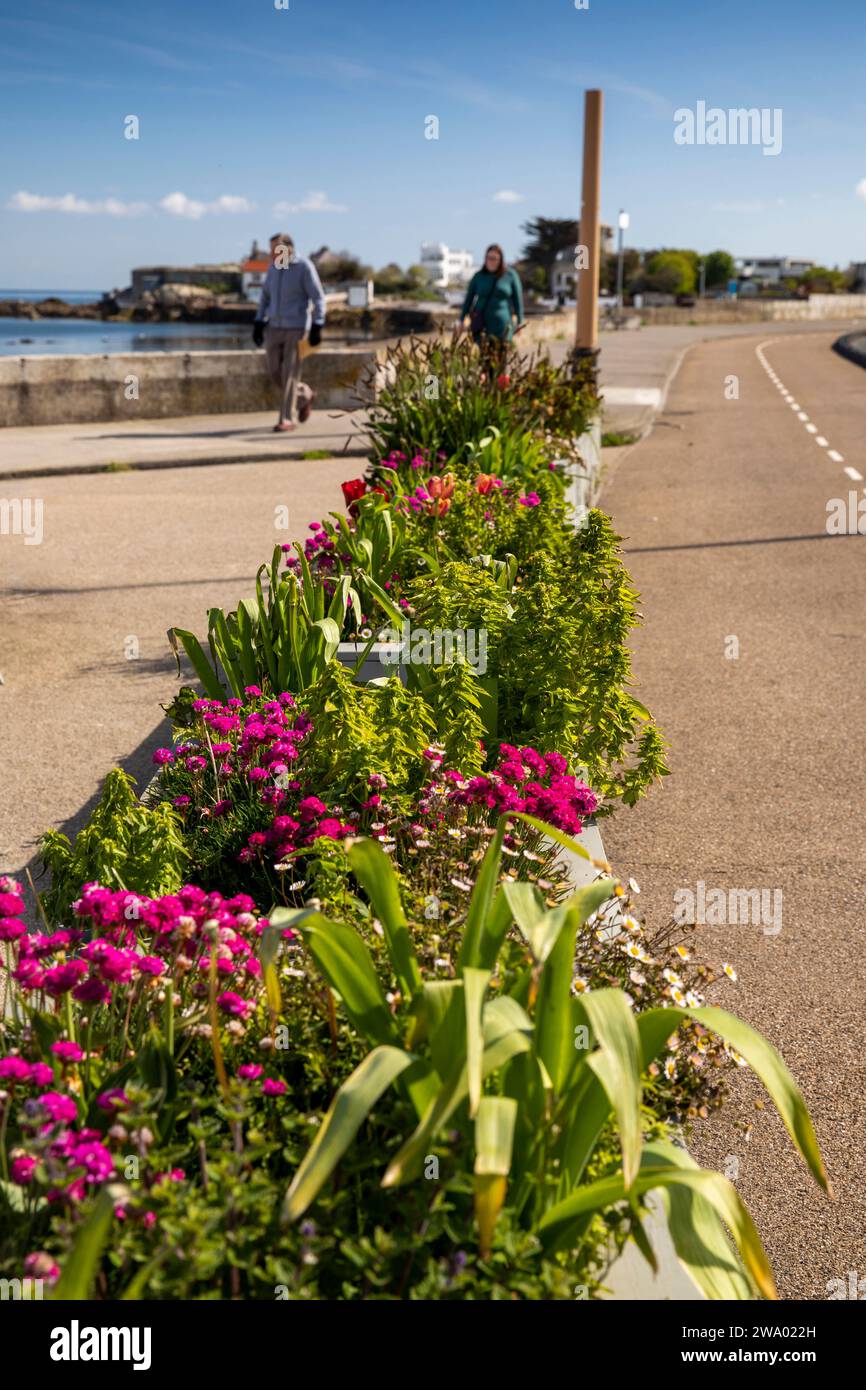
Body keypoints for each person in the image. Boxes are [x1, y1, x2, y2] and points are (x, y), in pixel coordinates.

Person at [252, 234, 326, 433]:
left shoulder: (304, 267)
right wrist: (258, 322)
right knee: (274, 371)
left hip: (297, 327)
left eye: (276, 249)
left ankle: (287, 418)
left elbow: (318, 297)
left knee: (290, 373)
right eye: (271, 250)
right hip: (273, 327)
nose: (272, 253)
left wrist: (318, 324)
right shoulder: (274, 268)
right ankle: (304, 395)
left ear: (288, 249)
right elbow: (265, 297)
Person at [460, 244, 525, 358]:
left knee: (501, 361)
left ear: (500, 260)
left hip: (503, 325)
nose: (491, 261)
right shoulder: (479, 276)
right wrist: (461, 319)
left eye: (494, 258)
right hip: (482, 324)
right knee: (485, 360)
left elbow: (518, 300)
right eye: (489, 258)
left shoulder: (510, 275)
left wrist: (520, 321)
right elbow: (468, 299)